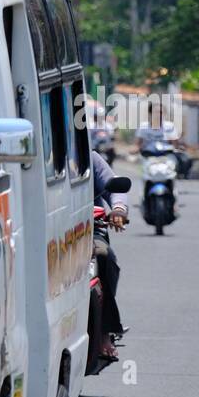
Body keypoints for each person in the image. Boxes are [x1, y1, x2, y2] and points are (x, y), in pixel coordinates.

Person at [91, 149, 128, 360]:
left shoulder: (89, 157)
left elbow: (116, 186)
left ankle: (106, 331)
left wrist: (118, 209)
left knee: (104, 257)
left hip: (88, 229)